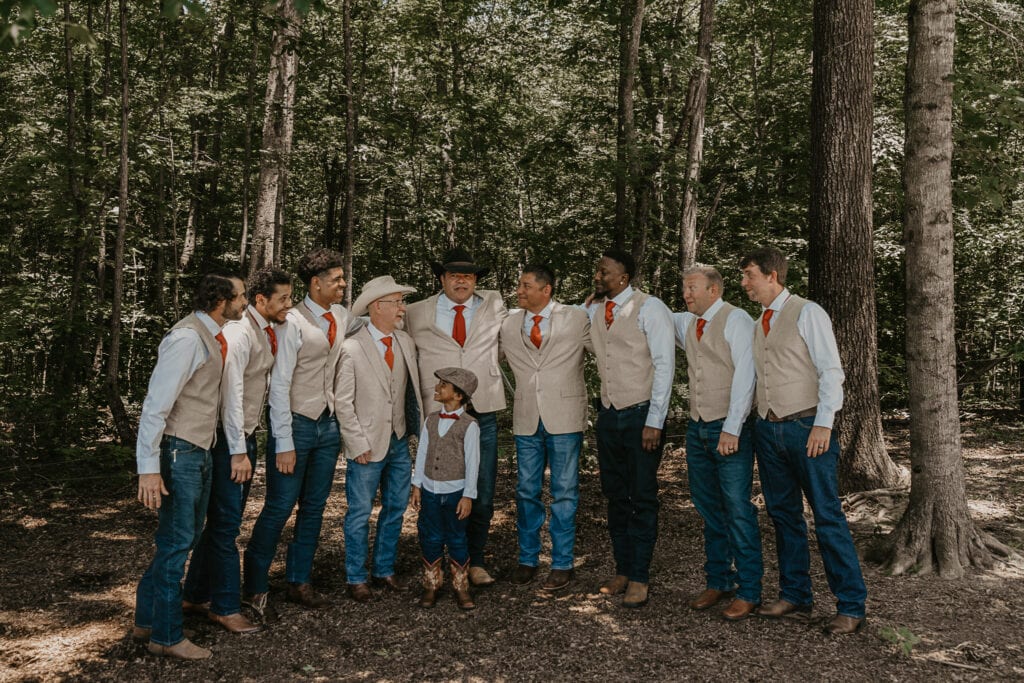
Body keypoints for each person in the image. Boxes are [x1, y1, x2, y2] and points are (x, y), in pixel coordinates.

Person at [739, 246, 867, 635]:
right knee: (783, 515)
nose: (743, 283)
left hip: (806, 428)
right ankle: (795, 593)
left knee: (827, 516)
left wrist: (824, 424)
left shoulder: (808, 312)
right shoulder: (758, 320)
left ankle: (851, 605)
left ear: (772, 276)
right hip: (768, 429)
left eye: (749, 275)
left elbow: (831, 371)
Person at [133, 272, 247, 660]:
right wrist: (148, 467)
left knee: (182, 538)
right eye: (242, 295)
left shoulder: (212, 335)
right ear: (221, 299)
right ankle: (165, 636)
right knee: (176, 543)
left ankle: (147, 618)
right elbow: (155, 405)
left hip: (199, 449)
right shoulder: (186, 339)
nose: (246, 302)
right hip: (180, 452)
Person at [181, 267, 292, 635]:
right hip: (230, 440)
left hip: (243, 437)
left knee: (220, 523)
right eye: (284, 299)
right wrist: (238, 451)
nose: (289, 306)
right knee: (227, 525)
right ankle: (226, 606)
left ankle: (195, 594)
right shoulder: (240, 332)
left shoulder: (266, 330)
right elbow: (231, 394)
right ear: (261, 300)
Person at [243, 248, 350, 620]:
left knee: (315, 508)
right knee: (278, 507)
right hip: (297, 423)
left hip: (328, 424)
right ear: (315, 283)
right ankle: (254, 585)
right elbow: (280, 384)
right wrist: (283, 441)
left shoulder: (341, 315)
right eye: (336, 279)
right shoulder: (292, 321)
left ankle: (299, 580)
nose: (343, 284)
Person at [404, 248, 507, 586]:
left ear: (477, 280)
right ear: (441, 279)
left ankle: (473, 561)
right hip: (438, 416)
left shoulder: (494, 303)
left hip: (483, 411)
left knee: (481, 489)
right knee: (435, 490)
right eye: (454, 275)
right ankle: (435, 562)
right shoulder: (417, 312)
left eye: (469, 275)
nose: (462, 281)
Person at [585, 248, 675, 608]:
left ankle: (640, 574)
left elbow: (665, 365)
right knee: (615, 494)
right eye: (598, 271)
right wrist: (587, 302)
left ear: (623, 277)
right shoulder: (593, 308)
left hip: (641, 415)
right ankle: (622, 567)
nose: (598, 276)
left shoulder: (650, 308)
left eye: (604, 272)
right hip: (609, 414)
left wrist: (655, 419)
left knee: (642, 495)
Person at [673, 265, 762, 621]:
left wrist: (732, 426)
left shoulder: (736, 319)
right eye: (684, 288)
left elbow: (746, 374)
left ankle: (750, 589)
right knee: (708, 507)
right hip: (697, 428)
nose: (686, 294)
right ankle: (718, 579)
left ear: (714, 290)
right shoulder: (688, 323)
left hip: (729, 429)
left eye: (692, 287)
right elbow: (649, 312)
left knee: (738, 508)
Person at [499, 265, 591, 591]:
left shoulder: (577, 317)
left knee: (565, 492)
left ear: (546, 289)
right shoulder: (508, 323)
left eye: (525, 285)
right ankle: (528, 558)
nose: (519, 291)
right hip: (526, 417)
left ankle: (563, 562)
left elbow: (609, 347)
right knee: (526, 491)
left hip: (565, 416)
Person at [336, 276, 423, 603]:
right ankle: (355, 577)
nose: (403, 308)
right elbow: (342, 402)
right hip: (366, 445)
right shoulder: (351, 347)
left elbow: (410, 394)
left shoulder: (405, 342)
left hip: (399, 440)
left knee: (396, 508)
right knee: (359, 513)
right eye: (397, 302)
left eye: (402, 301)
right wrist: (356, 443)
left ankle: (384, 569)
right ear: (377, 307)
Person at [410, 368, 481, 610]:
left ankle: (461, 587)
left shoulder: (469, 425)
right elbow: (422, 453)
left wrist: (468, 495)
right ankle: (431, 585)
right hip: (430, 490)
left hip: (455, 493)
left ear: (459, 395)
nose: (437, 388)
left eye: (443, 385)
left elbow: (473, 463)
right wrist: (417, 484)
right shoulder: (430, 420)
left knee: (457, 538)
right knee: (430, 537)